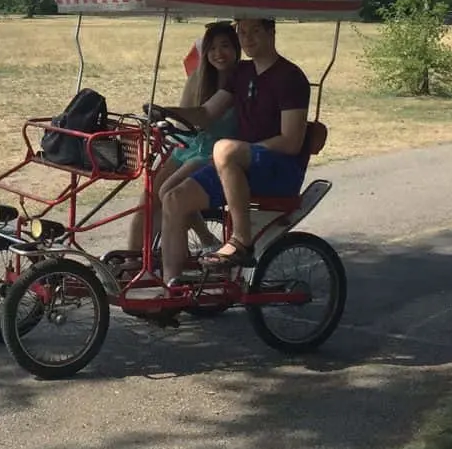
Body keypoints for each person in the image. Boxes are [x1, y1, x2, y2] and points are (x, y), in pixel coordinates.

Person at [150, 17, 311, 282]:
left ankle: (241, 241)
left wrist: (241, 150)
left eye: (255, 31)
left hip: (278, 168)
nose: (247, 38)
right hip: (238, 165)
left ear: (272, 32)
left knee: (224, 148)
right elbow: (206, 113)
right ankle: (171, 286)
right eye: (243, 32)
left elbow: (291, 141)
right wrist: (167, 112)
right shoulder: (242, 73)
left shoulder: (291, 77)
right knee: (173, 198)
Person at [120, 21, 242, 267]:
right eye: (212, 48)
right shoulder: (200, 77)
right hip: (190, 144)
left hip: (215, 151)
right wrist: (163, 118)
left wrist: (172, 114)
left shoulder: (241, 80)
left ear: (237, 49)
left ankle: (181, 262)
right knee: (148, 198)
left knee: (169, 193)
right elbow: (186, 115)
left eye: (225, 46)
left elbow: (204, 114)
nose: (219, 54)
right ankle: (130, 264)